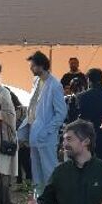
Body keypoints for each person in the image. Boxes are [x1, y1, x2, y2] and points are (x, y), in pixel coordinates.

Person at [25, 52, 68, 191]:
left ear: (41, 66)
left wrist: (47, 130)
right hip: (34, 133)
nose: (31, 68)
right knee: (36, 173)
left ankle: (55, 199)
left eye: (33, 65)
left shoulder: (55, 85)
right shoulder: (36, 82)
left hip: (47, 137)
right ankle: (40, 199)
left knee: (50, 171)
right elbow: (32, 108)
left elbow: (61, 113)